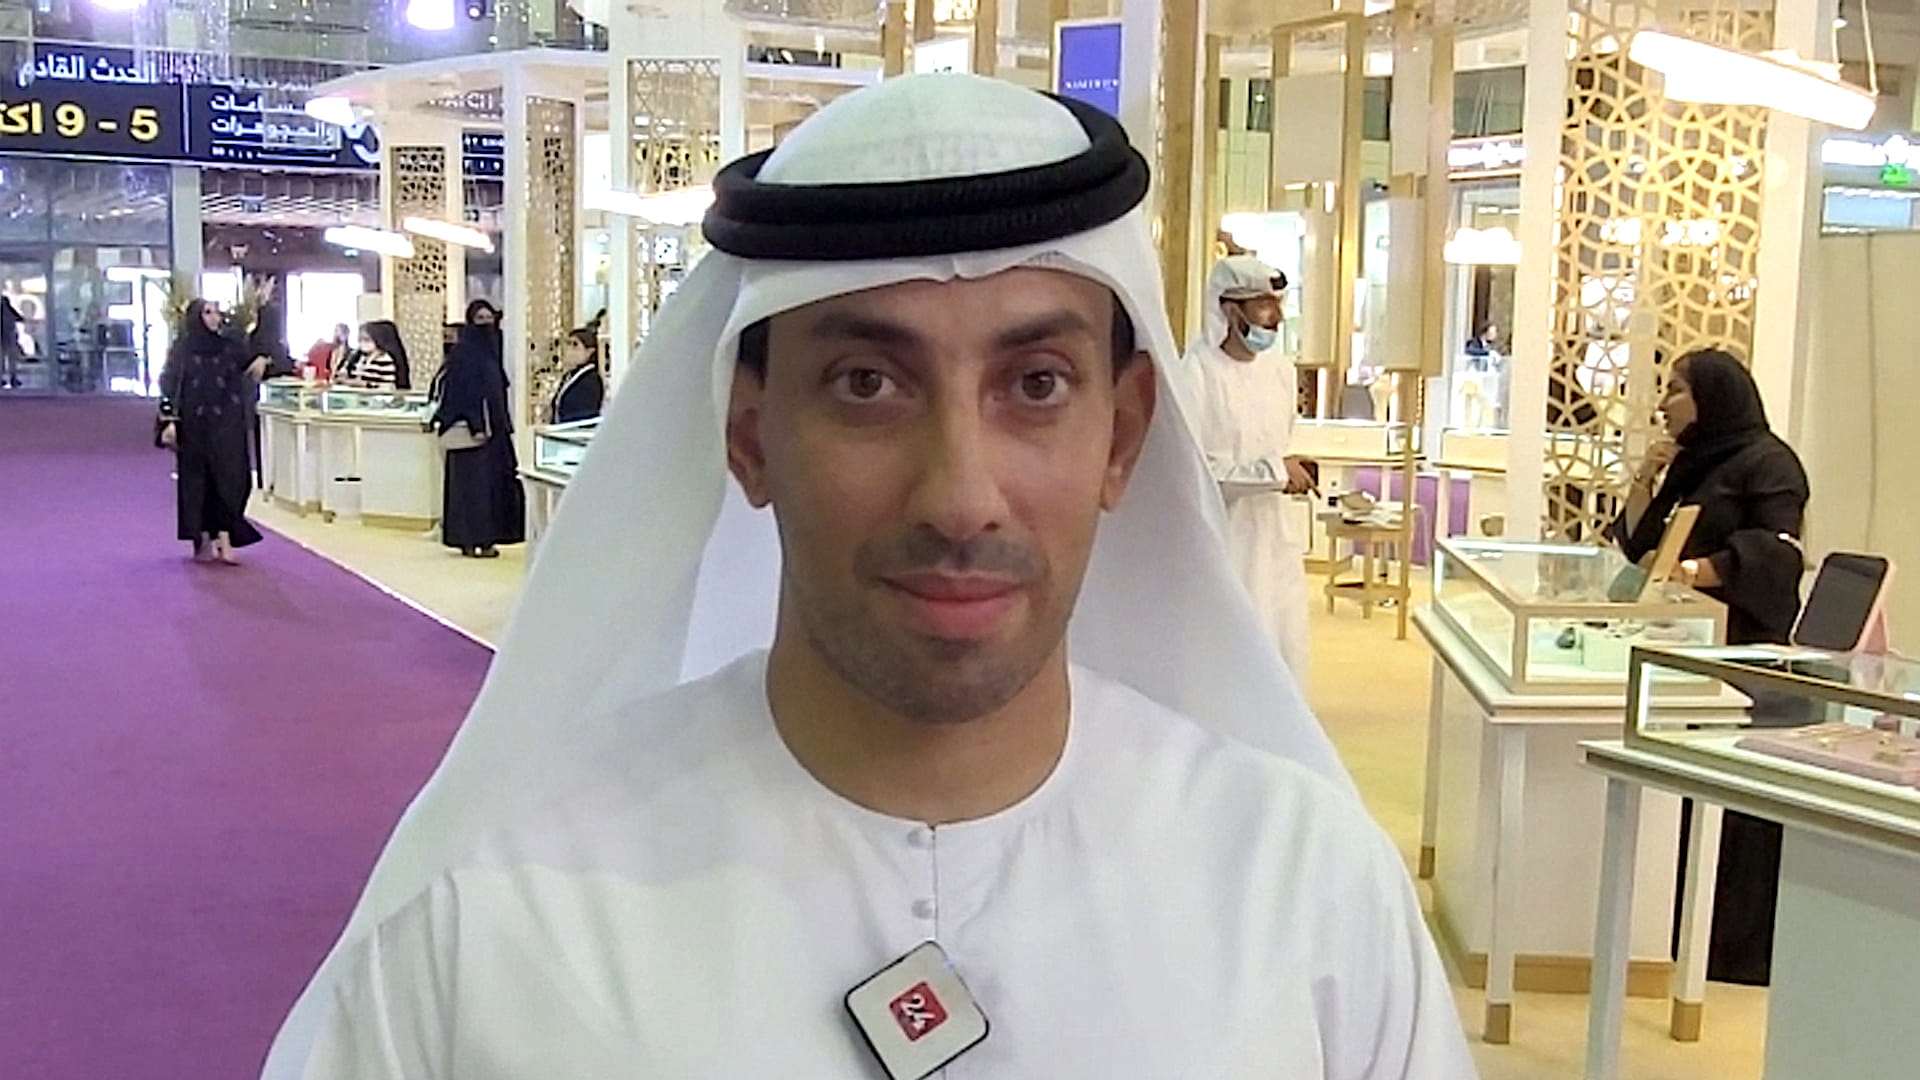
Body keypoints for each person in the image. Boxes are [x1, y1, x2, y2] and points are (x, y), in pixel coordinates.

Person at [264, 74, 1473, 1079]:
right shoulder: (496, 910)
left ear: (1122, 435)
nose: (960, 494)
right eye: (867, 386)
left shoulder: (1308, 898)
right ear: (748, 434)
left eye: (1036, 385)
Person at [1610, 347, 1810, 987]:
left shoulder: (1770, 463)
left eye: (1676, 390)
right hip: (1688, 649)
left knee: (1733, 815)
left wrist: (1699, 571)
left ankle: (1728, 950)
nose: (1664, 403)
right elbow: (1640, 548)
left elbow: (1777, 553)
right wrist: (1644, 480)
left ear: (1713, 398)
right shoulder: (1692, 461)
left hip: (1744, 657)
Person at [1174, 256, 1315, 674]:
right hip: (1226, 541)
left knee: (1284, 654)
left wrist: (1288, 471)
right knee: (1228, 662)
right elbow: (1194, 471)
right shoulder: (1197, 372)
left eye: (1278, 305)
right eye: (1264, 306)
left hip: (1276, 538)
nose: (1277, 319)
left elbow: (1277, 446)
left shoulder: (1281, 372)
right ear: (1231, 310)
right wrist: (1274, 473)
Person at [159, 300, 267, 564]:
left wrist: (262, 359)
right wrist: (169, 419)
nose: (214, 317)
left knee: (231, 479)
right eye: (207, 312)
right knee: (198, 482)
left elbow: (254, 363)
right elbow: (169, 384)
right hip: (193, 424)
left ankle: (226, 534)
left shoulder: (230, 345)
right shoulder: (183, 349)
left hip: (227, 423)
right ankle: (203, 537)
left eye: (216, 312)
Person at [432, 301, 525, 558]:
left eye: (489, 317)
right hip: (474, 433)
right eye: (480, 318)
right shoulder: (464, 355)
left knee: (487, 488)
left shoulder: (492, 351)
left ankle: (482, 539)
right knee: (473, 490)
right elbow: (463, 394)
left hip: (494, 433)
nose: (486, 323)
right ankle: (473, 539)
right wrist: (476, 425)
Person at [549, 327, 604, 424]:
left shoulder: (591, 380)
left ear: (589, 351)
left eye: (575, 345)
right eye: (568, 344)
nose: (569, 349)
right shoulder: (568, 376)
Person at [350, 320, 410, 390]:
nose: (362, 343)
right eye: (360, 339)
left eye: (367, 339)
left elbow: (382, 385)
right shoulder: (361, 358)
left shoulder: (385, 359)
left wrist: (359, 383)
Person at [0, 294, 22, 389]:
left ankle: (8, 378)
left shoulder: (7, 311)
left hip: (5, 337)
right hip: (8, 337)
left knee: (4, 359)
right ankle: (13, 378)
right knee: (10, 359)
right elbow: (19, 318)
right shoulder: (10, 311)